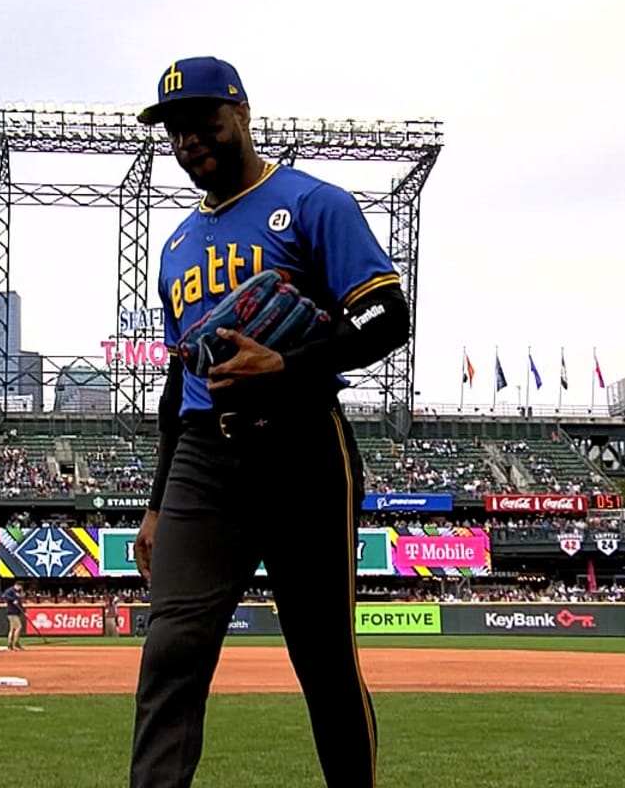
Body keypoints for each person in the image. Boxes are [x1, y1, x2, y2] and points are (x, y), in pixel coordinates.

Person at [129, 56, 412, 788]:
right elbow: (174, 382)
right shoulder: (175, 248)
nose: (190, 142)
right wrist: (157, 504)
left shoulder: (314, 204)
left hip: (302, 447)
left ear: (243, 115)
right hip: (202, 456)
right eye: (177, 132)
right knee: (170, 654)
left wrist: (287, 366)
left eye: (204, 123)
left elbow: (387, 315)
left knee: (323, 663)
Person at [1, 581, 26, 651]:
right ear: (17, 585)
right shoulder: (10, 590)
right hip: (11, 612)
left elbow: (19, 602)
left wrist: (23, 611)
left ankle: (10, 644)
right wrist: (12, 600)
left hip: (17, 612)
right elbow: (5, 595)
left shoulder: (18, 592)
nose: (20, 588)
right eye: (20, 587)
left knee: (13, 629)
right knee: (19, 627)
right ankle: (16, 643)